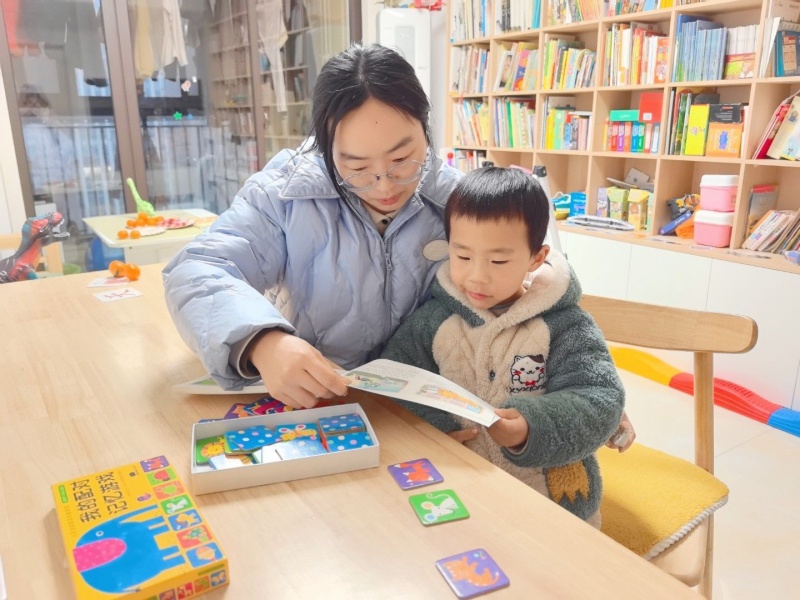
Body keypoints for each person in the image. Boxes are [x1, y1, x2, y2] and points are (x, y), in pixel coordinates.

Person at [162, 43, 462, 408]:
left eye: (402, 159)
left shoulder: (458, 200)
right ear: (326, 148)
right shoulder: (285, 195)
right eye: (357, 167)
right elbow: (195, 269)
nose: (384, 186)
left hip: (426, 410)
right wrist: (261, 342)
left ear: (426, 129)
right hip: (318, 402)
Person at [380, 167, 626, 525]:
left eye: (498, 261)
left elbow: (601, 400)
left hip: (553, 507)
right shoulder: (434, 321)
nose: (477, 276)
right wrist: (436, 433)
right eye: (463, 257)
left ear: (536, 258)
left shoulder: (565, 325)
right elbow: (395, 384)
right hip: (459, 493)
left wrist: (531, 426)